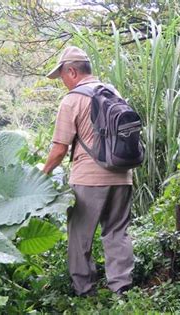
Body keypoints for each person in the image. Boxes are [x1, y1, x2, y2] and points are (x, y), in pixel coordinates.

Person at [42, 46, 134, 296]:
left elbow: (59, 150)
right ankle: (121, 291)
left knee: (80, 237)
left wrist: (42, 175)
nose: (62, 82)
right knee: (117, 232)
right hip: (123, 175)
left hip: (88, 180)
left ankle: (86, 293)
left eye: (61, 76)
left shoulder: (72, 100)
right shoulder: (113, 93)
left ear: (71, 71)